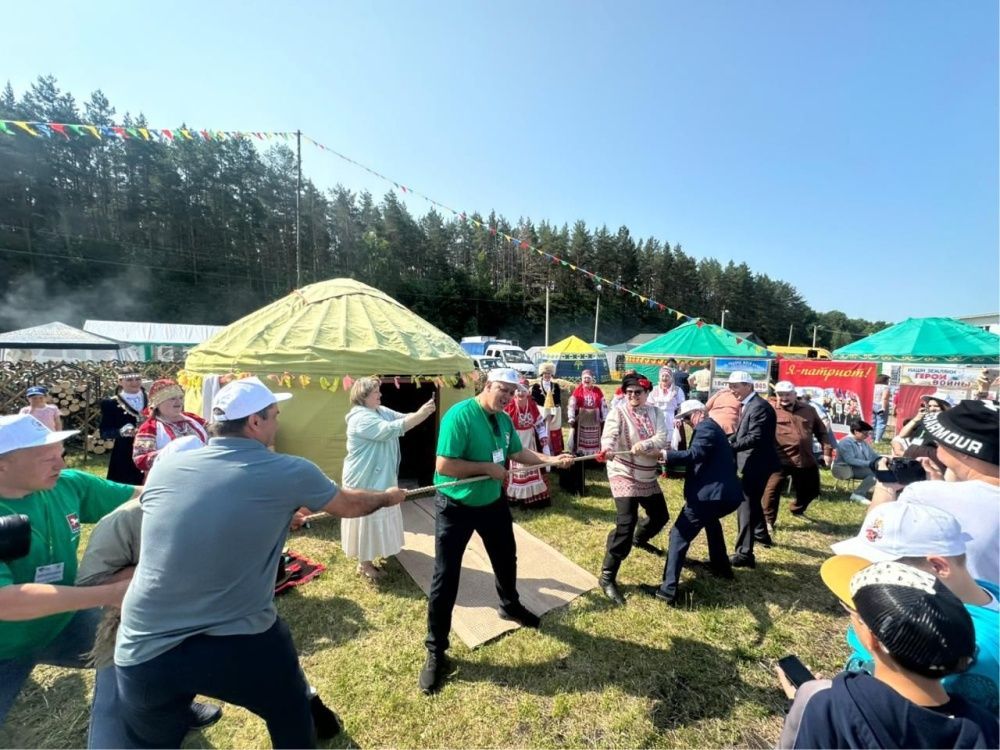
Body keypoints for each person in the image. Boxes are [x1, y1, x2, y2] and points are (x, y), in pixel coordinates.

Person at [115, 376, 405, 748]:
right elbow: (350, 504)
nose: (278, 422)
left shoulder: (167, 469)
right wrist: (388, 496)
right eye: (275, 415)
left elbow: (206, 516)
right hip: (239, 638)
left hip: (143, 645)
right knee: (290, 715)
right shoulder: (289, 471)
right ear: (255, 423)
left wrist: (277, 513)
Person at [0, 415, 219, 746]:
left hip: (61, 622)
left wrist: (227, 498)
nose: (61, 461)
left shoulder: (68, 484)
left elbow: (144, 496)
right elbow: (7, 602)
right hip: (5, 646)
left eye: (60, 452)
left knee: (145, 645)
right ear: (3, 465)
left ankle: (166, 709)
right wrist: (113, 592)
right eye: (48, 457)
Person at [419, 369, 573, 694]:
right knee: (445, 576)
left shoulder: (504, 421)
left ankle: (509, 604)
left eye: (511, 391)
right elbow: (443, 465)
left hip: (492, 502)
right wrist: (486, 468)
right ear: (487, 386)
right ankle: (436, 651)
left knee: (506, 556)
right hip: (455, 506)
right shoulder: (459, 416)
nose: (506, 396)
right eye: (502, 389)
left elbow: (519, 453)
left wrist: (551, 460)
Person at [778, 558, 998, 749]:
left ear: (872, 637)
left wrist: (801, 703)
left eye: (852, 612)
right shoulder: (985, 728)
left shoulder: (828, 706)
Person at [830, 503, 999, 713]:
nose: (871, 577)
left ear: (938, 566)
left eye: (884, 569)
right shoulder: (987, 591)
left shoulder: (956, 643)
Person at [882, 399, 1000, 585]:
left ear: (965, 451)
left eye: (940, 441)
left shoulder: (924, 495)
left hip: (943, 608)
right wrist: (941, 485)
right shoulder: (935, 493)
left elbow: (878, 537)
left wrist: (885, 485)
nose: (935, 443)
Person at [639, 399, 742, 605]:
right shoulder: (712, 427)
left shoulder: (705, 428)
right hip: (725, 495)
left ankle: (667, 591)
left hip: (709, 497)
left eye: (686, 418)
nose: (686, 423)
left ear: (698, 413)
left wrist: (663, 453)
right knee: (711, 523)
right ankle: (721, 568)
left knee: (678, 536)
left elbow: (694, 455)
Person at [340, 377, 436, 581]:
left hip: (380, 477)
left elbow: (403, 418)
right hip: (363, 479)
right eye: (376, 392)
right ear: (363, 396)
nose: (380, 395)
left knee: (380, 514)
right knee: (367, 516)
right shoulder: (360, 418)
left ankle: (376, 551)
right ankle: (364, 564)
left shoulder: (380, 411)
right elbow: (390, 430)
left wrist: (423, 411)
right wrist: (421, 414)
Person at [596, 373, 669, 606]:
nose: (633, 396)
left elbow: (663, 437)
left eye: (638, 392)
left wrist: (646, 444)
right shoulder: (618, 412)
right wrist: (607, 448)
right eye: (629, 392)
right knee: (626, 522)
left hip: (646, 472)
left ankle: (639, 538)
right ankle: (607, 576)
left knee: (660, 516)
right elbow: (610, 434)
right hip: (623, 470)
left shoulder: (656, 412)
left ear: (647, 393)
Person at [761, 381, 832, 533]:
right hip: (779, 458)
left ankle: (797, 508)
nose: (784, 398)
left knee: (812, 489)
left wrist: (827, 452)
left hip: (804, 457)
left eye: (787, 394)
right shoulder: (769, 409)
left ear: (795, 395)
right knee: (772, 491)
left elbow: (822, 431)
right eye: (780, 395)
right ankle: (768, 521)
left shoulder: (809, 409)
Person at [727, 371, 780, 569]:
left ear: (748, 386)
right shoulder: (751, 404)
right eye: (730, 387)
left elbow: (755, 438)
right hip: (753, 463)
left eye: (736, 387)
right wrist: (727, 439)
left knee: (745, 506)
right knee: (751, 501)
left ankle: (744, 554)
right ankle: (761, 535)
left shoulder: (760, 407)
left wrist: (728, 447)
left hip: (758, 464)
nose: (732, 391)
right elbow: (743, 433)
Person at [132, 378, 207, 476]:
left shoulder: (193, 419)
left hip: (202, 472)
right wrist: (173, 453)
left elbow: (216, 435)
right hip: (169, 478)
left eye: (180, 397)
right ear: (158, 403)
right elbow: (140, 459)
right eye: (172, 398)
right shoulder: (150, 427)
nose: (178, 402)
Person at [504, 378, 552, 509]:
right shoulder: (509, 406)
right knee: (517, 469)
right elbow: (503, 426)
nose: (521, 393)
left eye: (524, 390)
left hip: (530, 440)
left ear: (528, 392)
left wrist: (543, 437)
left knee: (532, 466)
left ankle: (533, 498)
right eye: (518, 390)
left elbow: (539, 423)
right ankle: (517, 498)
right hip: (516, 440)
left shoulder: (532, 405)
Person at [98, 373, 147, 485]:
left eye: (138, 379)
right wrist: (121, 432)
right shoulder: (110, 403)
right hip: (125, 452)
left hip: (151, 447)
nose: (134, 382)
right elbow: (104, 432)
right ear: (120, 381)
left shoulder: (152, 399)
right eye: (129, 379)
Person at [831, 419, 880, 505]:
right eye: (865, 434)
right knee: (875, 473)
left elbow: (873, 456)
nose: (867, 436)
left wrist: (883, 459)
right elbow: (850, 460)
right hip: (843, 468)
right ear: (856, 432)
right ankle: (857, 494)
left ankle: (870, 493)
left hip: (855, 468)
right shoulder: (845, 442)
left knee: (880, 472)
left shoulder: (863, 443)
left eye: (868, 434)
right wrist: (870, 464)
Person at [891, 391, 952, 456]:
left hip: (931, 453)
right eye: (930, 406)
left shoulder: (948, 423)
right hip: (915, 448)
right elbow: (902, 435)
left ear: (945, 408)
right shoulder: (924, 419)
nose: (932, 409)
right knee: (896, 440)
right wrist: (916, 418)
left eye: (936, 406)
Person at [566, 369, 607, 456]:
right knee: (579, 438)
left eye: (588, 378)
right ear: (582, 379)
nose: (586, 380)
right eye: (584, 378)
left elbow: (603, 404)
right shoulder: (578, 390)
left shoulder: (597, 390)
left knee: (595, 438)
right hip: (582, 420)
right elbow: (572, 404)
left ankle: (594, 456)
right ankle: (581, 455)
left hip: (595, 421)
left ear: (592, 379)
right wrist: (571, 417)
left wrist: (605, 417)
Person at [530, 361, 564, 454]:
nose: (547, 376)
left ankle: (554, 452)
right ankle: (542, 451)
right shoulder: (536, 387)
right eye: (545, 374)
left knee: (553, 431)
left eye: (549, 374)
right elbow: (534, 401)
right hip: (541, 412)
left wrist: (554, 409)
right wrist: (543, 410)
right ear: (542, 374)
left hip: (553, 414)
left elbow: (558, 400)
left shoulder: (555, 386)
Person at [647, 366, 685, 442]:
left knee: (672, 440)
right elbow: (649, 405)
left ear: (671, 377)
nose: (664, 378)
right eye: (663, 376)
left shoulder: (677, 390)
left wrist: (678, 418)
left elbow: (682, 406)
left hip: (672, 417)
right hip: (657, 417)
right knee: (658, 438)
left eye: (667, 376)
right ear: (659, 377)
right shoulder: (654, 390)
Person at [871, 373, 891, 443]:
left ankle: (871, 438)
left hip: (872, 404)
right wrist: (884, 408)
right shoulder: (885, 387)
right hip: (880, 405)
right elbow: (884, 398)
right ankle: (877, 440)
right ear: (885, 380)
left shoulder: (873, 386)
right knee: (881, 423)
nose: (888, 382)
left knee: (872, 422)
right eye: (888, 380)